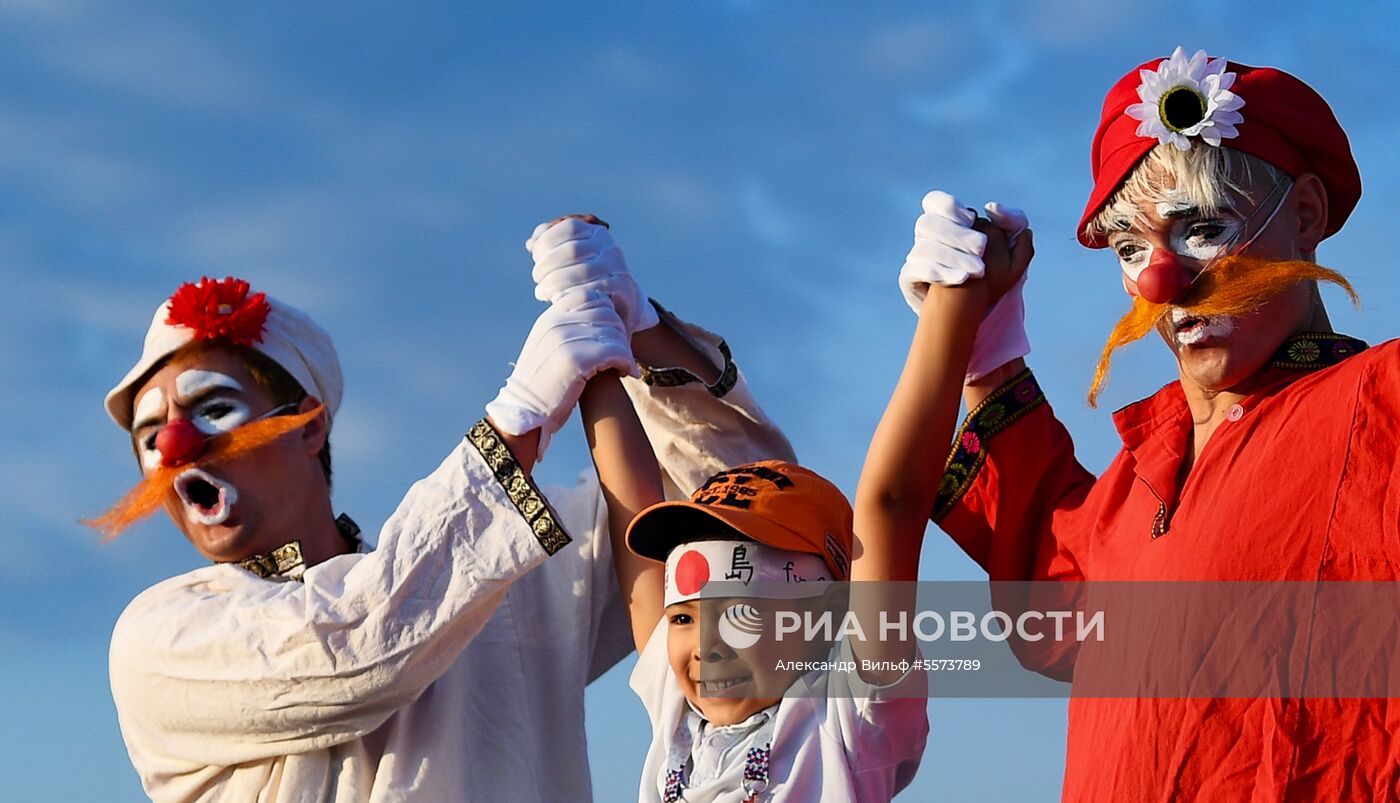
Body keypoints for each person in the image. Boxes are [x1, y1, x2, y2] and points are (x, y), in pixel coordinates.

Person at [100, 216, 794, 802]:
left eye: (213, 409)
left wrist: (644, 333)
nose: (177, 450)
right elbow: (356, 641)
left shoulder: (511, 577)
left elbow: (753, 519)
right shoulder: (158, 640)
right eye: (151, 434)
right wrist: (518, 418)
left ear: (308, 424)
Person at [876, 46, 1399, 799]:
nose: (1163, 280)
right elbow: (1053, 604)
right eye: (1131, 247)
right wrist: (985, 351)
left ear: (1306, 216)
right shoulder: (1145, 473)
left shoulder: (1380, 398)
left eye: (1204, 228)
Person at [577, 373, 928, 798]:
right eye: (684, 616)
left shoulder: (848, 719)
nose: (707, 644)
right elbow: (628, 502)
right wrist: (593, 353)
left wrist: (950, 308)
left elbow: (891, 502)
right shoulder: (678, 718)